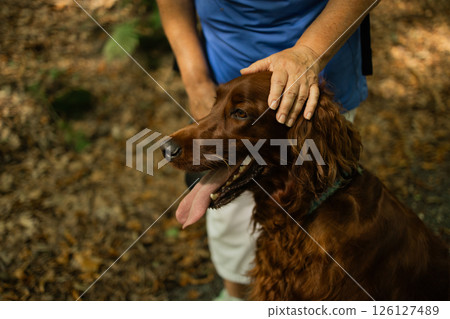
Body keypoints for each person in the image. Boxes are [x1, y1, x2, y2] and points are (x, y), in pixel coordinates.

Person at [156, 0, 379, 300]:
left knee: (325, 214)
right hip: (225, 64)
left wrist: (309, 53)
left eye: (236, 113)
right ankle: (235, 299)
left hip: (319, 75)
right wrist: (197, 82)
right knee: (230, 223)